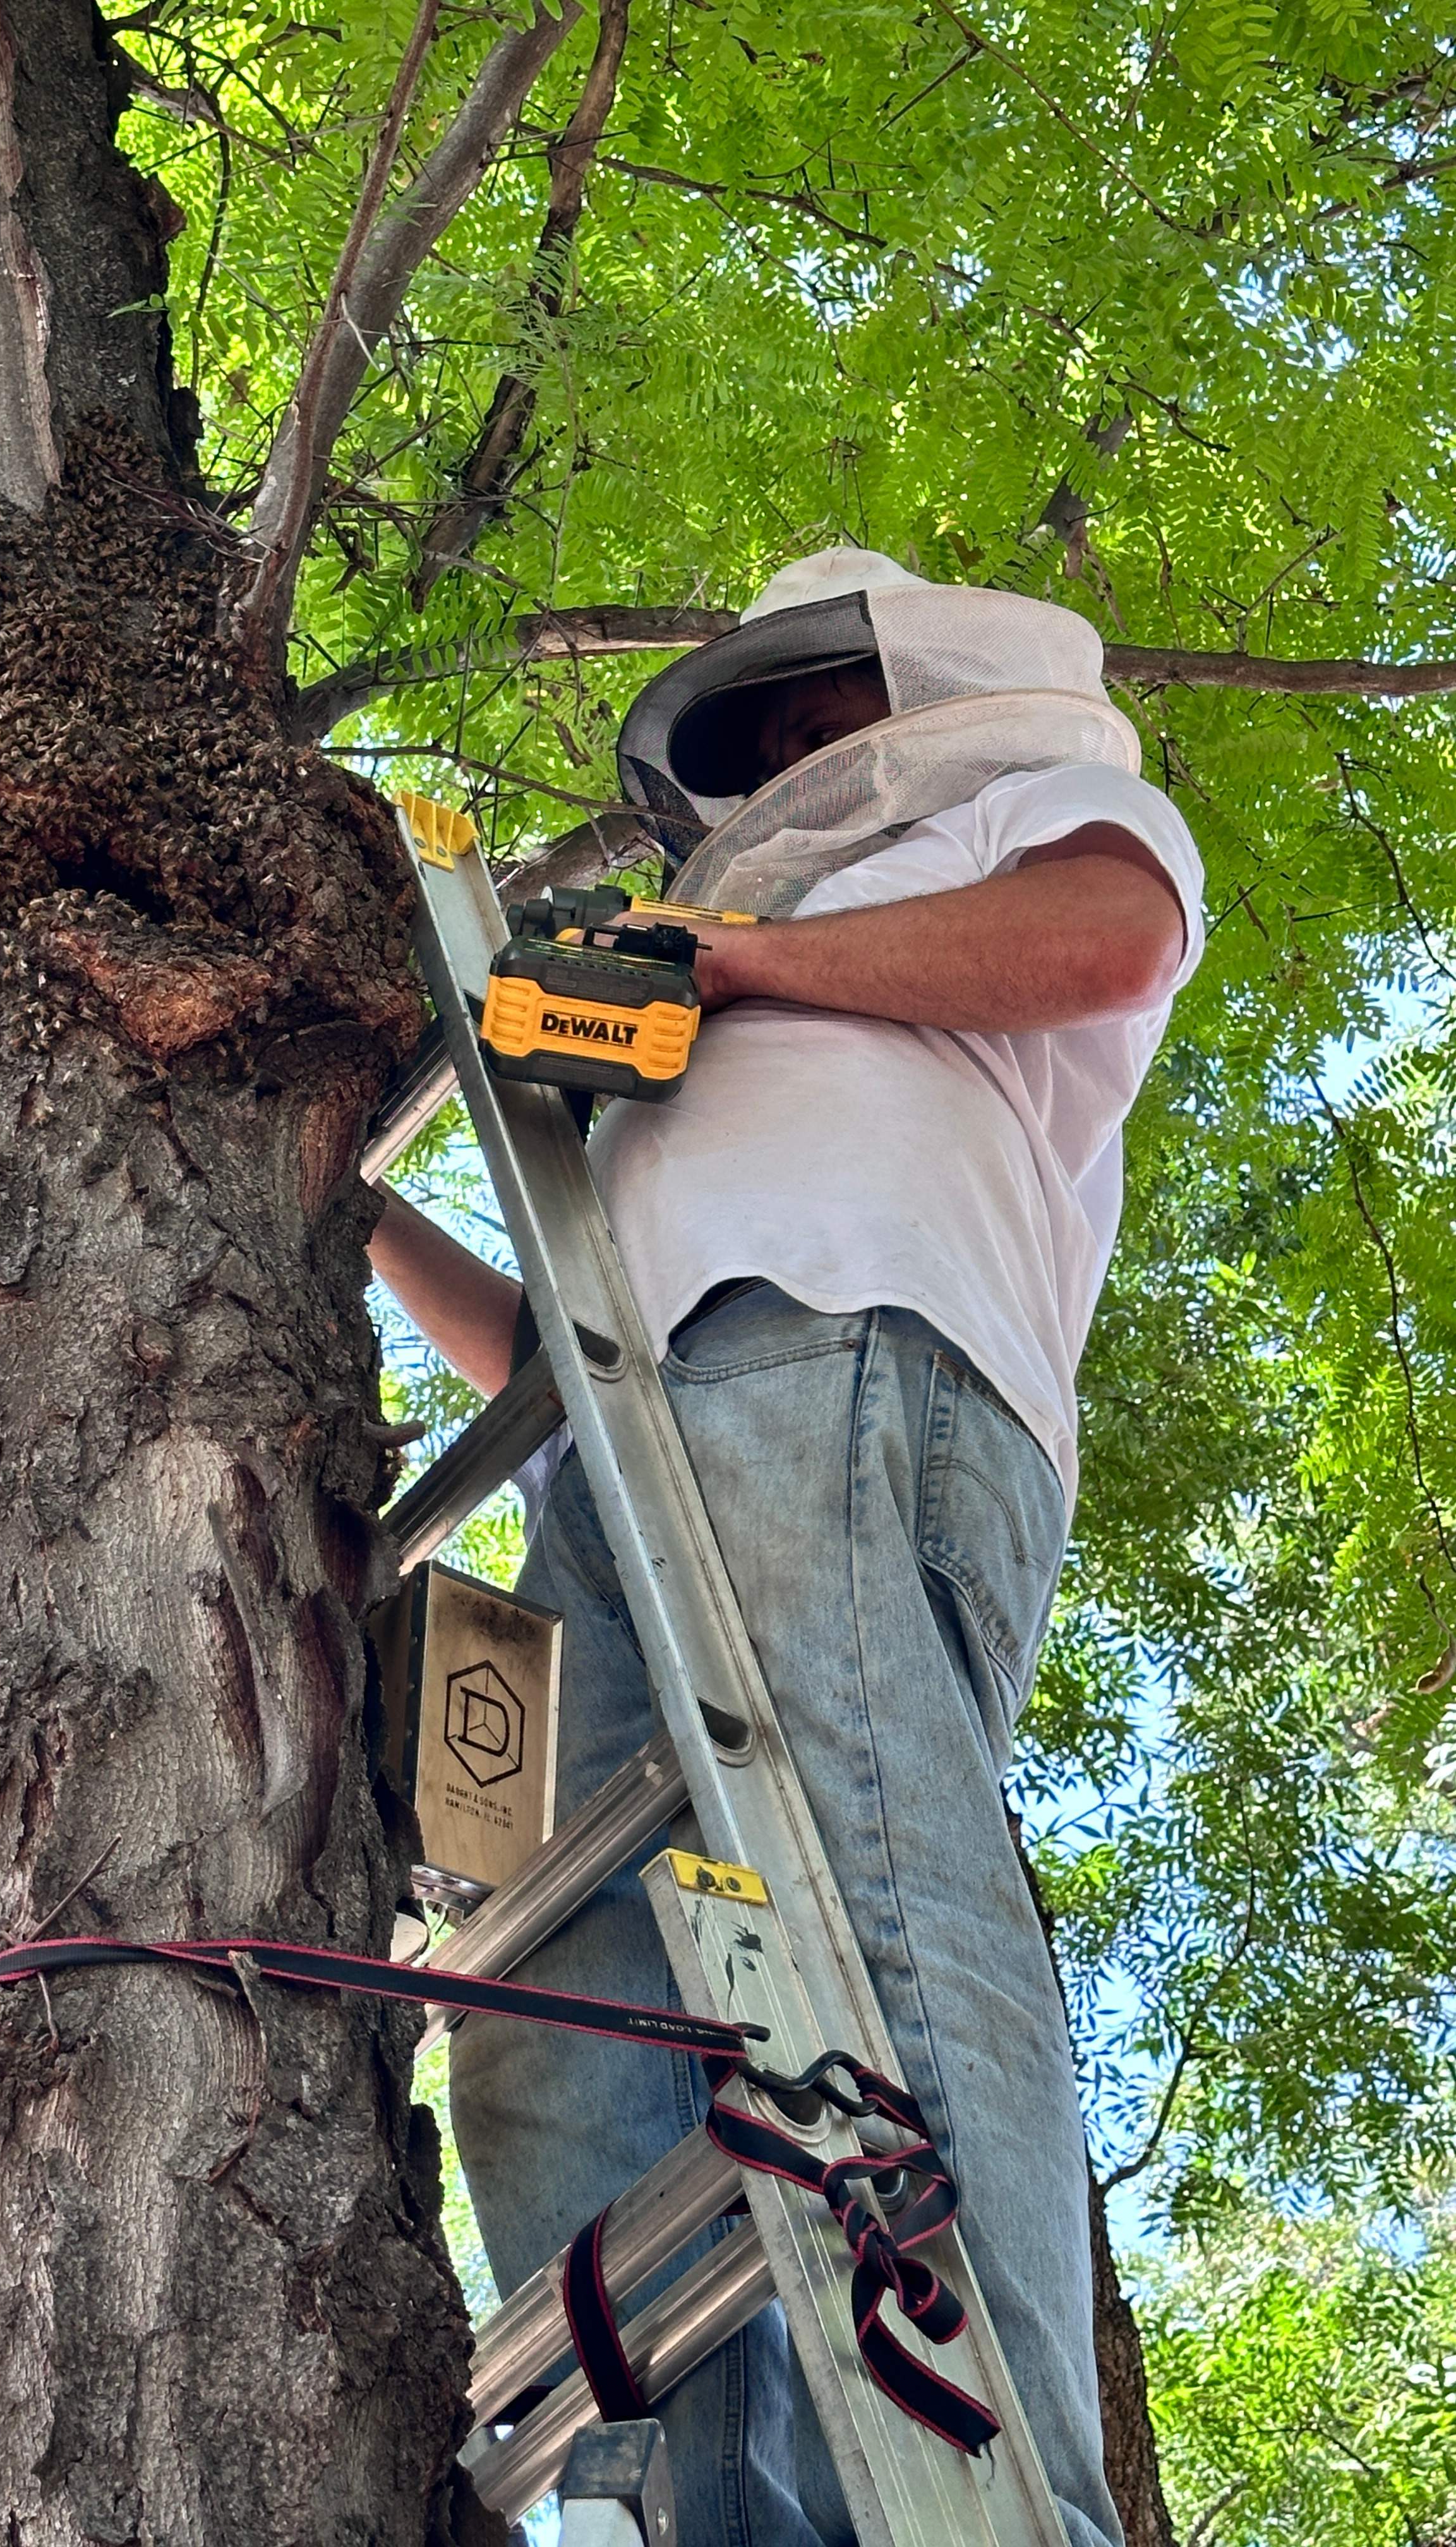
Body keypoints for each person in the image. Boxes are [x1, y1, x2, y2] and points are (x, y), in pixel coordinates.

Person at [369, 549, 1204, 2547]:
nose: (787, 759)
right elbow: (566, 1352)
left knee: (872, 1883)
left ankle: (1001, 2500)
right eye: (759, 739)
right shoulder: (732, 965)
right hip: (619, 1465)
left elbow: (1107, 937)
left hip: (846, 1333)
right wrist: (368, 1218)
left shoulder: (1023, 820)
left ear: (911, 692)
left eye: (814, 714)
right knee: (555, 2008)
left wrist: (731, 969)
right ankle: (662, 2507)